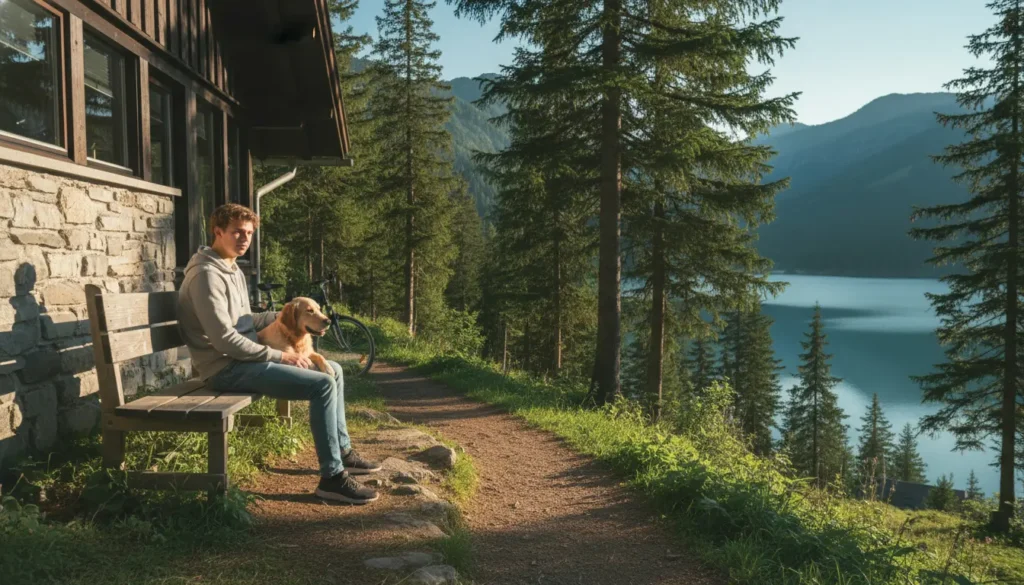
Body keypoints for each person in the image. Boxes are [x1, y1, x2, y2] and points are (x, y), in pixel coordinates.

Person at [177, 203, 381, 504]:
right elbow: (224, 340)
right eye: (236, 232)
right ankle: (332, 478)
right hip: (224, 369)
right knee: (321, 384)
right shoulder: (207, 275)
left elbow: (245, 321)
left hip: (242, 361)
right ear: (218, 232)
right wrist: (280, 356)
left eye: (248, 233)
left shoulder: (230, 267)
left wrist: (289, 313)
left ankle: (342, 452)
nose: (244, 239)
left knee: (333, 370)